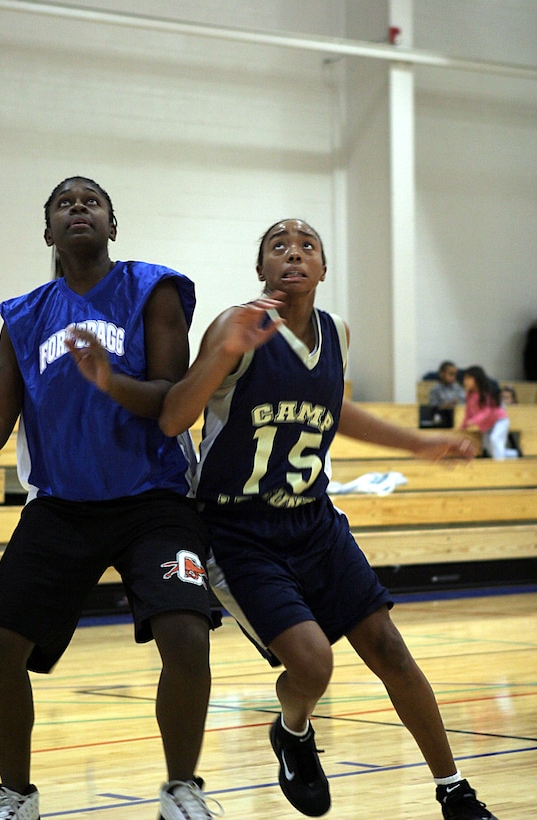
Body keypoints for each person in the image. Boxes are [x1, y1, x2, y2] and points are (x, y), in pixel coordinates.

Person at [159, 218, 499, 820]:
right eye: (278, 246)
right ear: (261, 268)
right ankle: (292, 731)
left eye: (306, 246)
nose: (293, 253)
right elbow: (173, 417)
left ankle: (455, 791)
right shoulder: (233, 326)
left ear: (322, 268)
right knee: (314, 663)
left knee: (391, 648)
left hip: (313, 521)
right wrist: (224, 355)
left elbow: (333, 406)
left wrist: (418, 444)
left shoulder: (336, 332)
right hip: (239, 532)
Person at [0, 177, 220, 820]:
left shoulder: (154, 288)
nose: (78, 209)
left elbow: (173, 399)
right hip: (61, 505)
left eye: (91, 201)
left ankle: (182, 789)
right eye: (63, 203)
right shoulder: (22, 316)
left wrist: (109, 380)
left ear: (112, 224)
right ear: (48, 233)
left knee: (187, 639)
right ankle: (15, 793)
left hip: (154, 498)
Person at [461, 365, 515, 460]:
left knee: (495, 439)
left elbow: (487, 411)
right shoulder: (469, 395)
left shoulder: (485, 393)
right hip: (487, 426)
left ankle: (500, 467)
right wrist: (463, 425)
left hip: (500, 421)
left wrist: (474, 420)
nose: (465, 381)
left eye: (468, 378)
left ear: (477, 380)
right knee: (489, 448)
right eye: (465, 378)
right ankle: (514, 454)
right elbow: (468, 412)